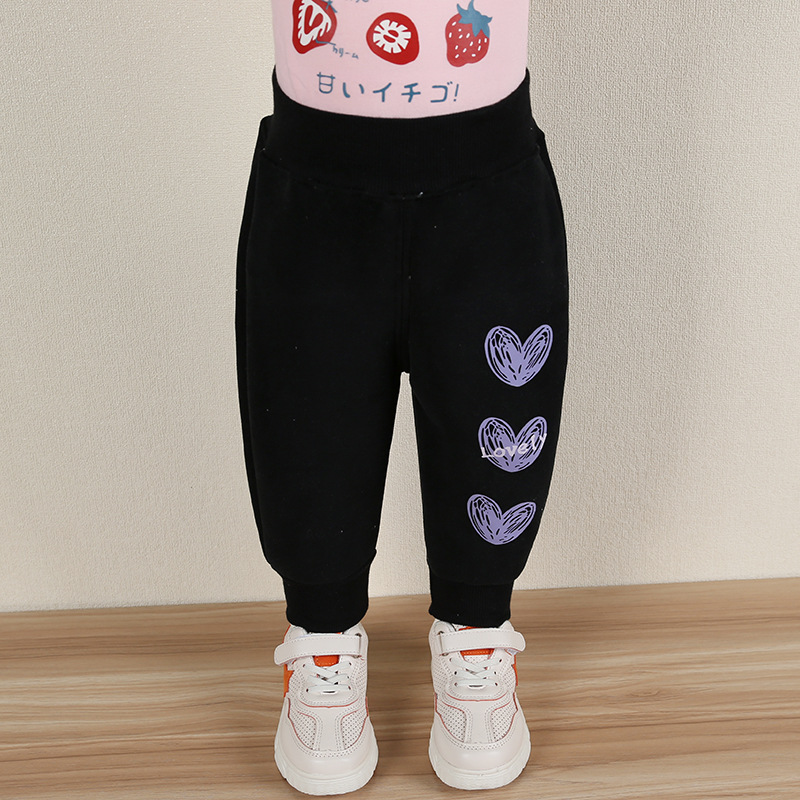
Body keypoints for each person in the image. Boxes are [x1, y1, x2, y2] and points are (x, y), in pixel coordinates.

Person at [235, 0, 569, 794]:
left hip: (487, 172)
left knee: (498, 415)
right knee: (305, 413)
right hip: (316, 175)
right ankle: (321, 637)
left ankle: (477, 630)